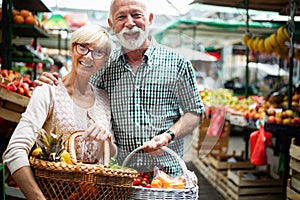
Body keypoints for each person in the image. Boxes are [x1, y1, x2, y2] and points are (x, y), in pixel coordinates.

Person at [35, 0, 205, 177]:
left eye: (137, 15)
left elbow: (195, 111)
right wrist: (53, 84)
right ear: (112, 25)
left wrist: (168, 135)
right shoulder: (103, 65)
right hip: (119, 176)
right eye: (121, 17)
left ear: (150, 19)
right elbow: (79, 90)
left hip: (167, 174)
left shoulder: (177, 63)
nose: (130, 23)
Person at [2, 25, 117, 200]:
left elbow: (112, 153)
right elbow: (14, 152)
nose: (88, 56)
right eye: (83, 47)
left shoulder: (104, 99)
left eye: (98, 52)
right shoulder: (48, 92)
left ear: (105, 60)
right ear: (72, 49)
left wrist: (107, 140)